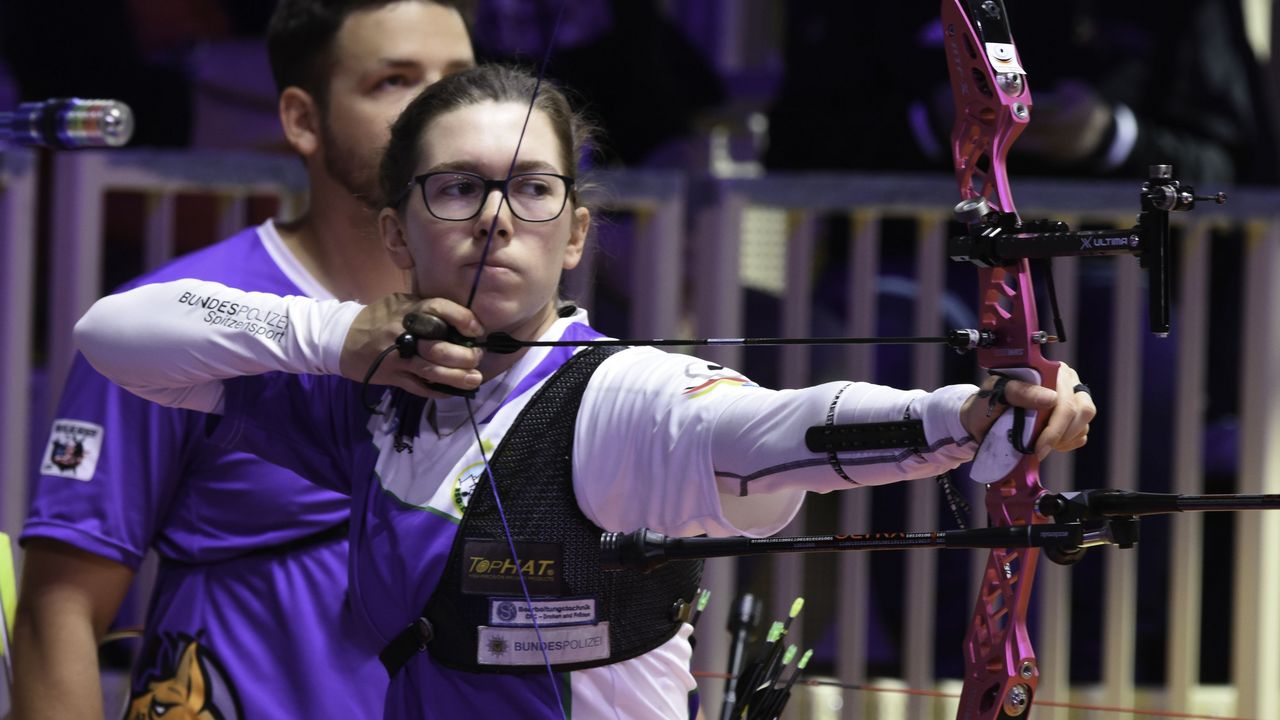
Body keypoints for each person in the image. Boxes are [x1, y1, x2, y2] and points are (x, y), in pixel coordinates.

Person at [72, 64, 1095, 719]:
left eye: (531, 190)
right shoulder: (366, 391)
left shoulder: (620, 401)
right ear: (399, 232)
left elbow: (765, 429)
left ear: (573, 232)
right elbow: (115, 334)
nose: (494, 218)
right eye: (455, 188)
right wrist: (337, 335)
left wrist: (962, 417)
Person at [12, 2, 474, 718]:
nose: (442, 111)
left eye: (460, 80)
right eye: (395, 81)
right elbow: (59, 611)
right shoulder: (174, 324)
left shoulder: (511, 321)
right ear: (302, 120)